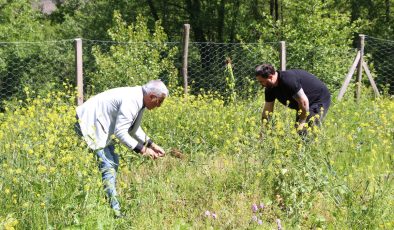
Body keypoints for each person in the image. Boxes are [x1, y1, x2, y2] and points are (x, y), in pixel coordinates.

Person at [74, 79, 168, 218]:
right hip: (88, 121)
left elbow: (134, 130)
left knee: (114, 161)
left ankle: (107, 201)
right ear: (151, 96)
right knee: (108, 166)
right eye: (159, 101)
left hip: (101, 126)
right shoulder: (133, 99)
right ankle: (115, 213)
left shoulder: (140, 99)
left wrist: (152, 145)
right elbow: (121, 132)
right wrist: (143, 150)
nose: (159, 106)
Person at [255, 64, 331, 135]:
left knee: (305, 131)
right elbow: (267, 110)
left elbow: (304, 101)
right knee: (299, 132)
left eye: (261, 81)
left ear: (270, 77)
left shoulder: (288, 81)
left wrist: (301, 122)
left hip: (317, 99)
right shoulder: (270, 88)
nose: (261, 84)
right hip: (303, 104)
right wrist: (263, 130)